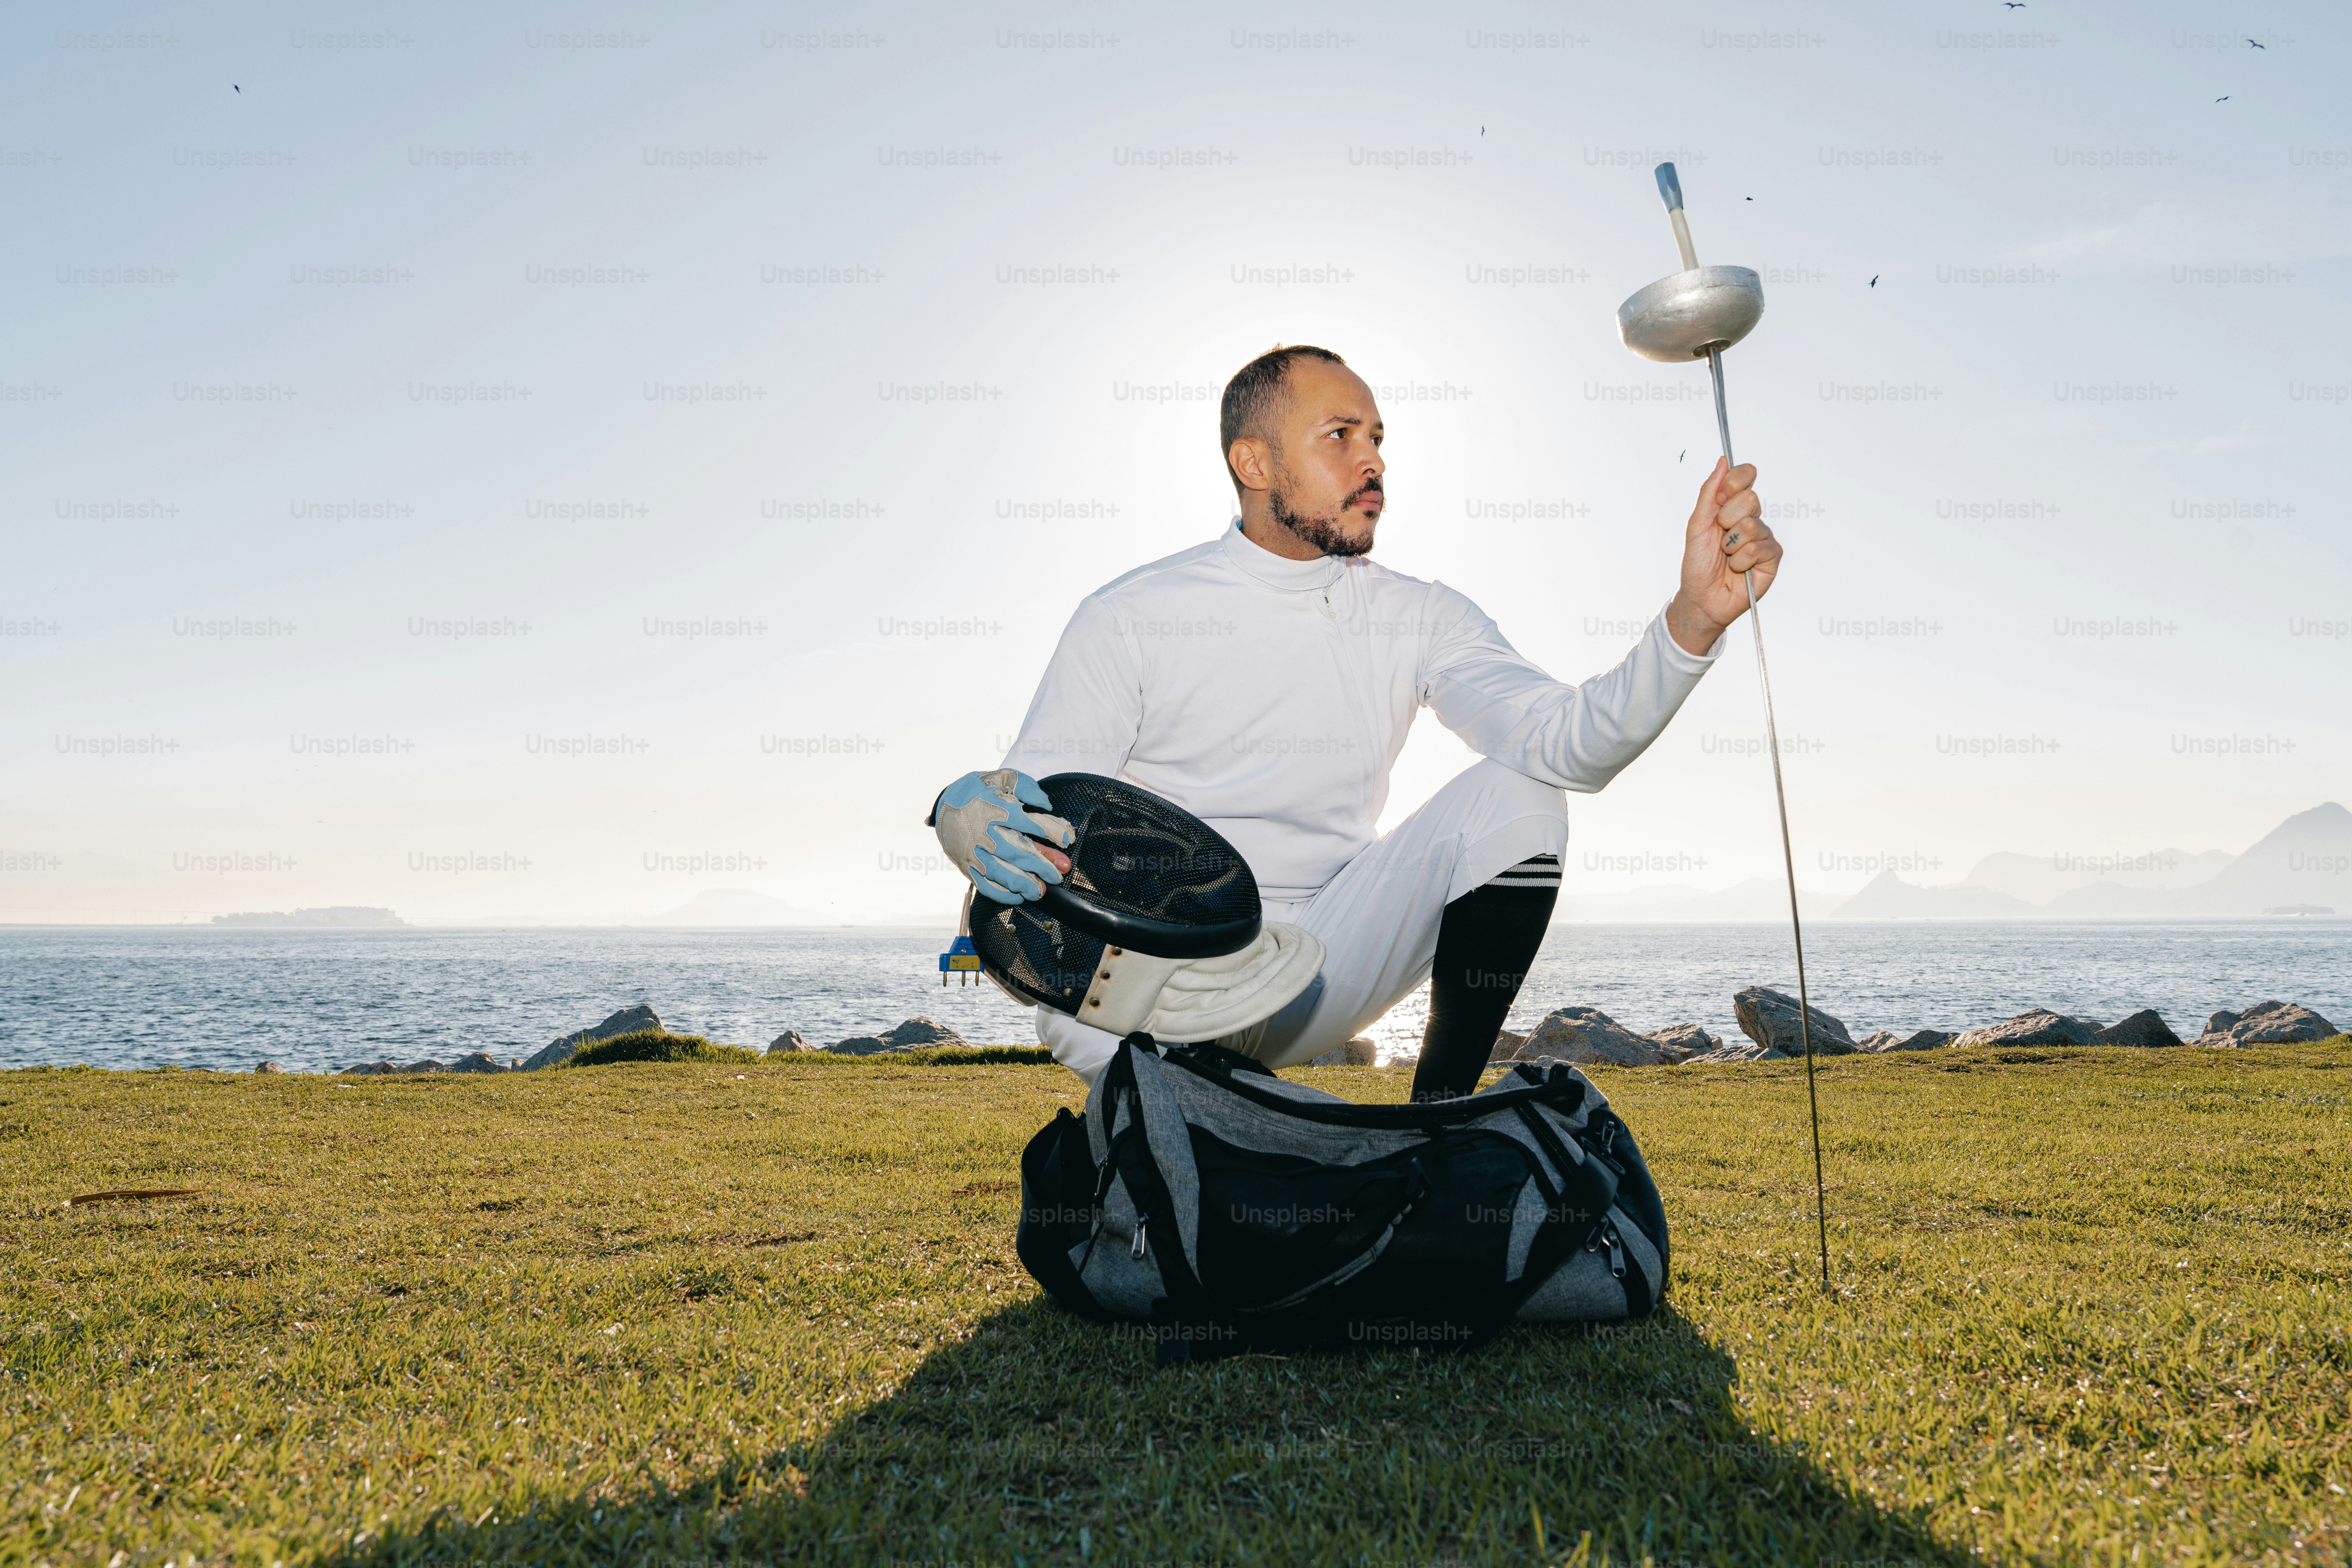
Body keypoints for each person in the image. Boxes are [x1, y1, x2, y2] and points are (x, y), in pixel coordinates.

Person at [931, 344, 1781, 1098]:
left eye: (1377, 438)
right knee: (1225, 1170)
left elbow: (1572, 746)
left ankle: (1440, 1127)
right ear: (1253, 463)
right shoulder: (1130, 613)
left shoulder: (1420, 616)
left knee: (1522, 794)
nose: (1371, 460)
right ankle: (1182, 1113)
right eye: (1340, 435)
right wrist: (970, 812)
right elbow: (1036, 805)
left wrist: (1691, 622)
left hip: (1318, 962)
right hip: (1147, 980)